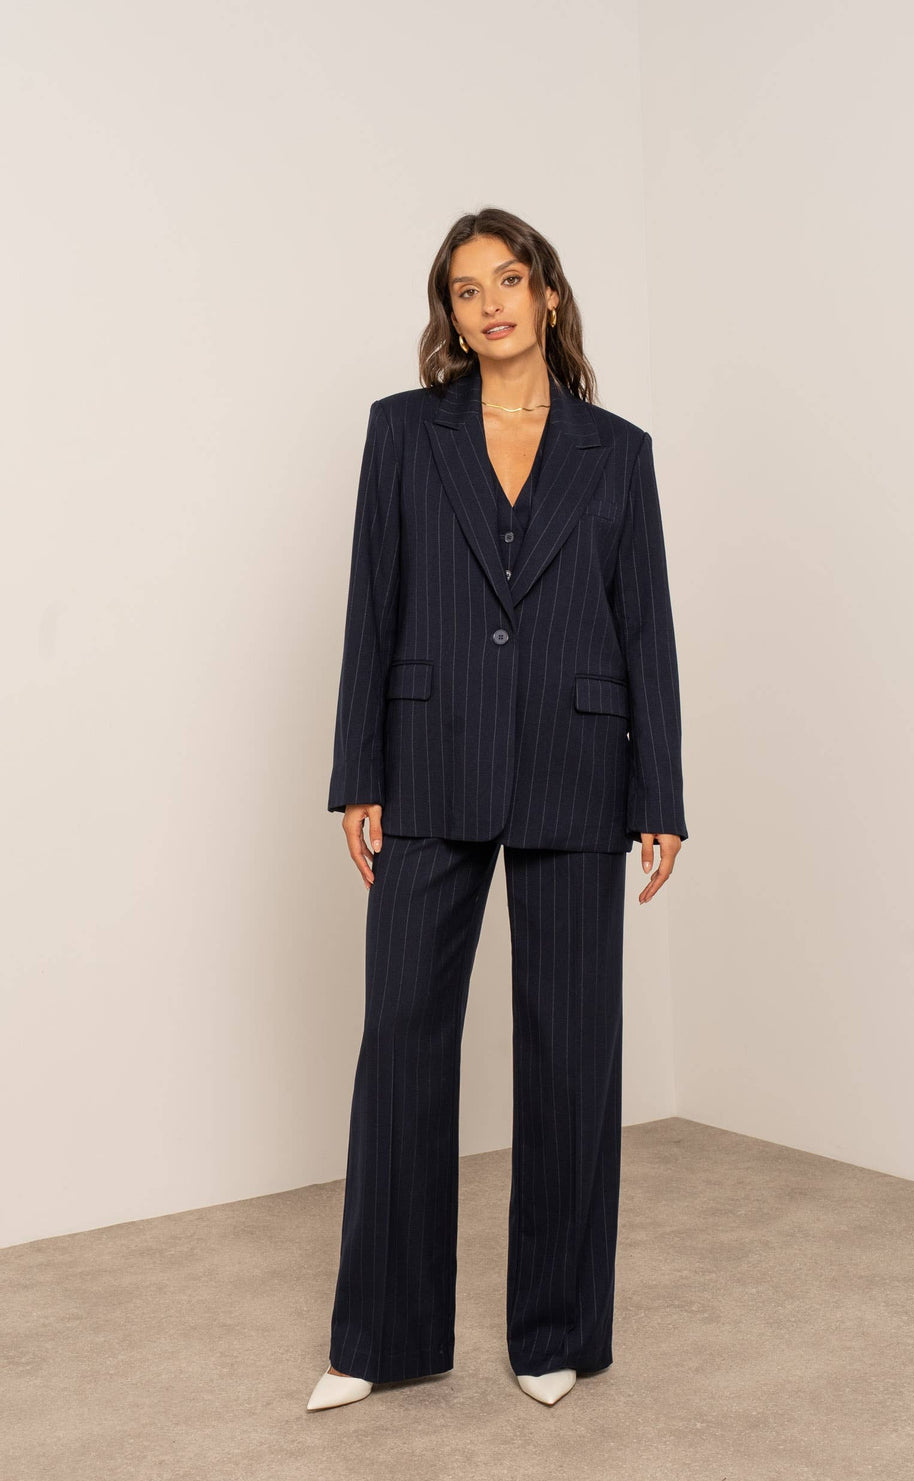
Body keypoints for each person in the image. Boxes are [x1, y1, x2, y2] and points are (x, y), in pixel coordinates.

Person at [307, 206, 688, 1412]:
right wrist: (359, 771)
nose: (490, 305)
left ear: (549, 295)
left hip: (580, 764)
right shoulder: (401, 433)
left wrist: (659, 791)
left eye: (509, 280)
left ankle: (556, 1330)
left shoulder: (615, 452)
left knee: (571, 1053)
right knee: (401, 1044)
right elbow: (372, 603)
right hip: (429, 758)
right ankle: (382, 1339)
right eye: (466, 290)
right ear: (451, 315)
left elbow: (645, 626)